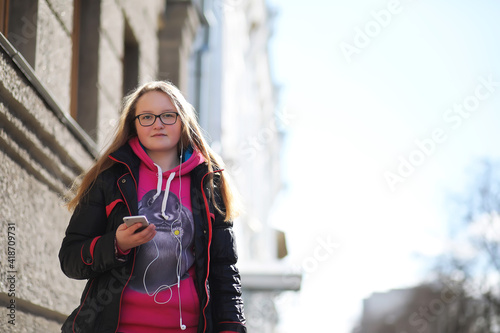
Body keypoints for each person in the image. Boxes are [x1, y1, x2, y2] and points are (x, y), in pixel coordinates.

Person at [59, 81, 246, 333]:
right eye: (146, 117)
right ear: (134, 125)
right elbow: (71, 258)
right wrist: (116, 244)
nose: (158, 124)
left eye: (168, 115)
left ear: (183, 121)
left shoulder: (209, 182)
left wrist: (233, 329)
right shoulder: (111, 177)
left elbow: (225, 270)